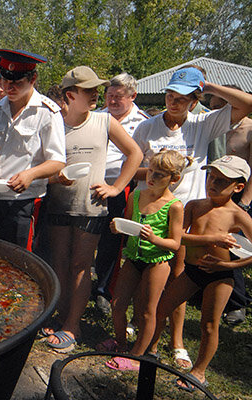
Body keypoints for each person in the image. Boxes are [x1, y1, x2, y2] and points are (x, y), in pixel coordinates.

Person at [131, 67, 252, 368]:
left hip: (188, 214)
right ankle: (148, 336)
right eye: (170, 95)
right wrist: (163, 174)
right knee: (147, 273)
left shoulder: (203, 124)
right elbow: (132, 168)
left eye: (183, 98)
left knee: (178, 277)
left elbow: (247, 105)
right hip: (154, 212)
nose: (174, 102)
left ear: (195, 101)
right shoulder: (147, 127)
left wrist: (207, 84)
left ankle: (177, 341)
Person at [37, 66, 143, 351]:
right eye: (89, 90)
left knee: (81, 265)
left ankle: (73, 326)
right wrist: (53, 176)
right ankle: (59, 316)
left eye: (97, 88)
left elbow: (135, 153)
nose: (97, 94)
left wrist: (117, 187)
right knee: (59, 262)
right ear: (70, 95)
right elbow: (39, 167)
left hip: (91, 206)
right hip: (58, 203)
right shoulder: (54, 124)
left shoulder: (104, 121)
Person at [148, 155, 252, 392]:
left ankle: (199, 372)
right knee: (163, 308)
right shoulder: (195, 205)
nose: (212, 184)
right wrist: (211, 238)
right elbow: (178, 236)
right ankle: (150, 350)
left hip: (220, 276)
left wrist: (228, 267)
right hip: (193, 269)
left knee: (209, 324)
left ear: (238, 187)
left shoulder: (238, 216)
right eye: (211, 177)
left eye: (221, 181)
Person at [103, 150, 186, 370]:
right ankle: (120, 344)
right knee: (117, 304)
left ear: (173, 179)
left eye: (159, 175)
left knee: (148, 311)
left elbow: (175, 243)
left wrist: (154, 238)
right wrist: (117, 227)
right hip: (133, 257)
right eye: (150, 171)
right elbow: (128, 224)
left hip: (157, 261)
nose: (151, 177)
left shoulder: (175, 206)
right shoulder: (136, 196)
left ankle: (136, 356)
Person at [0, 49, 65, 248]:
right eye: (5, 81)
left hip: (24, 202)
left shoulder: (47, 113)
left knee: (21, 263)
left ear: (32, 79)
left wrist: (31, 174)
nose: (10, 88)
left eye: (17, 83)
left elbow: (58, 161)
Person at [94, 73, 150, 314]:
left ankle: (104, 290)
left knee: (112, 240)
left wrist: (121, 185)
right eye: (109, 96)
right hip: (93, 184)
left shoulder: (144, 123)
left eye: (118, 97)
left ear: (133, 96)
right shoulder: (97, 116)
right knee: (88, 236)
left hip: (123, 188)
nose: (112, 102)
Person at [208, 86, 252, 324]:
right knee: (212, 244)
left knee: (234, 249)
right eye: (214, 107)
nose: (218, 112)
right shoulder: (213, 126)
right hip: (213, 191)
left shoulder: (249, 130)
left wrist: (244, 203)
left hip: (239, 197)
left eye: (223, 107)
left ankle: (237, 303)